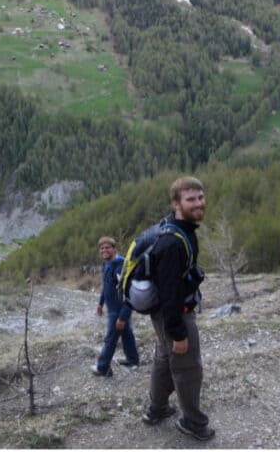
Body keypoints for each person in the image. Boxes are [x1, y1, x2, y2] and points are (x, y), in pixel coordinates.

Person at [142, 176, 214, 441]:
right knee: (187, 368)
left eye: (201, 197)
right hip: (174, 315)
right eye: (190, 199)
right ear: (176, 203)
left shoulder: (178, 228)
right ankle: (193, 423)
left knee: (164, 358)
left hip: (165, 314)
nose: (198, 203)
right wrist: (179, 333)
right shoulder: (172, 243)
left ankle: (157, 409)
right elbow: (170, 293)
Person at [91, 237, 140, 377]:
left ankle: (103, 367)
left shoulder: (120, 267)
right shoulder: (107, 265)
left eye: (107, 247)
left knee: (110, 339)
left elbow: (129, 292)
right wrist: (101, 303)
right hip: (112, 309)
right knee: (126, 334)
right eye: (101, 248)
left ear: (114, 249)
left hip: (120, 310)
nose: (104, 250)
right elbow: (106, 286)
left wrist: (123, 316)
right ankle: (133, 359)